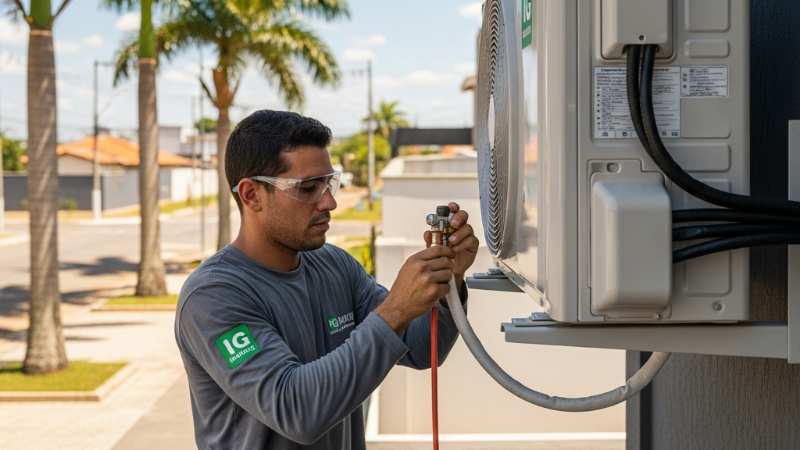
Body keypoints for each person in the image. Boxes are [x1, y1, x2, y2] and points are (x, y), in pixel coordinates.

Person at [175, 110, 479, 449]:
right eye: (307, 188)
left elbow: (423, 350)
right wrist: (394, 309)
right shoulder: (213, 296)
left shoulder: (334, 265)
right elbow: (297, 412)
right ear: (251, 195)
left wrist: (448, 284)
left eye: (328, 183)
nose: (330, 202)